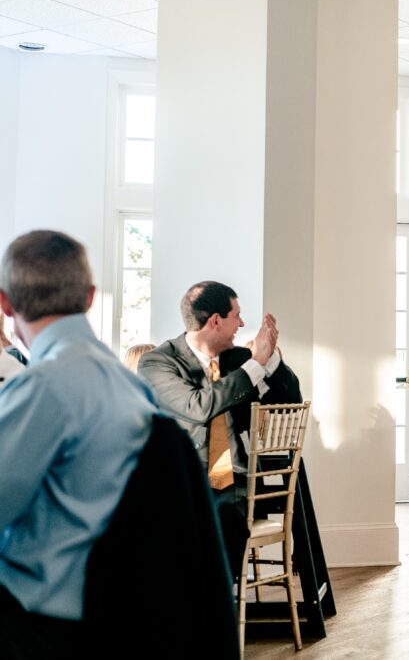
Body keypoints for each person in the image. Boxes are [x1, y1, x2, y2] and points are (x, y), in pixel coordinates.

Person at [0, 230, 158, 657]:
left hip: (40, 623)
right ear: (89, 297)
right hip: (118, 613)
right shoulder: (133, 386)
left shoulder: (42, 387)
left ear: (5, 303)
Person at [137, 281, 302, 570]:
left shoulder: (239, 359)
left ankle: (217, 605)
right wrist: (255, 364)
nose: (242, 323)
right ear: (215, 320)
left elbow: (289, 398)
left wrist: (271, 358)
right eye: (236, 315)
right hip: (182, 483)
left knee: (225, 520)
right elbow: (197, 406)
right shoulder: (158, 363)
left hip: (236, 483)